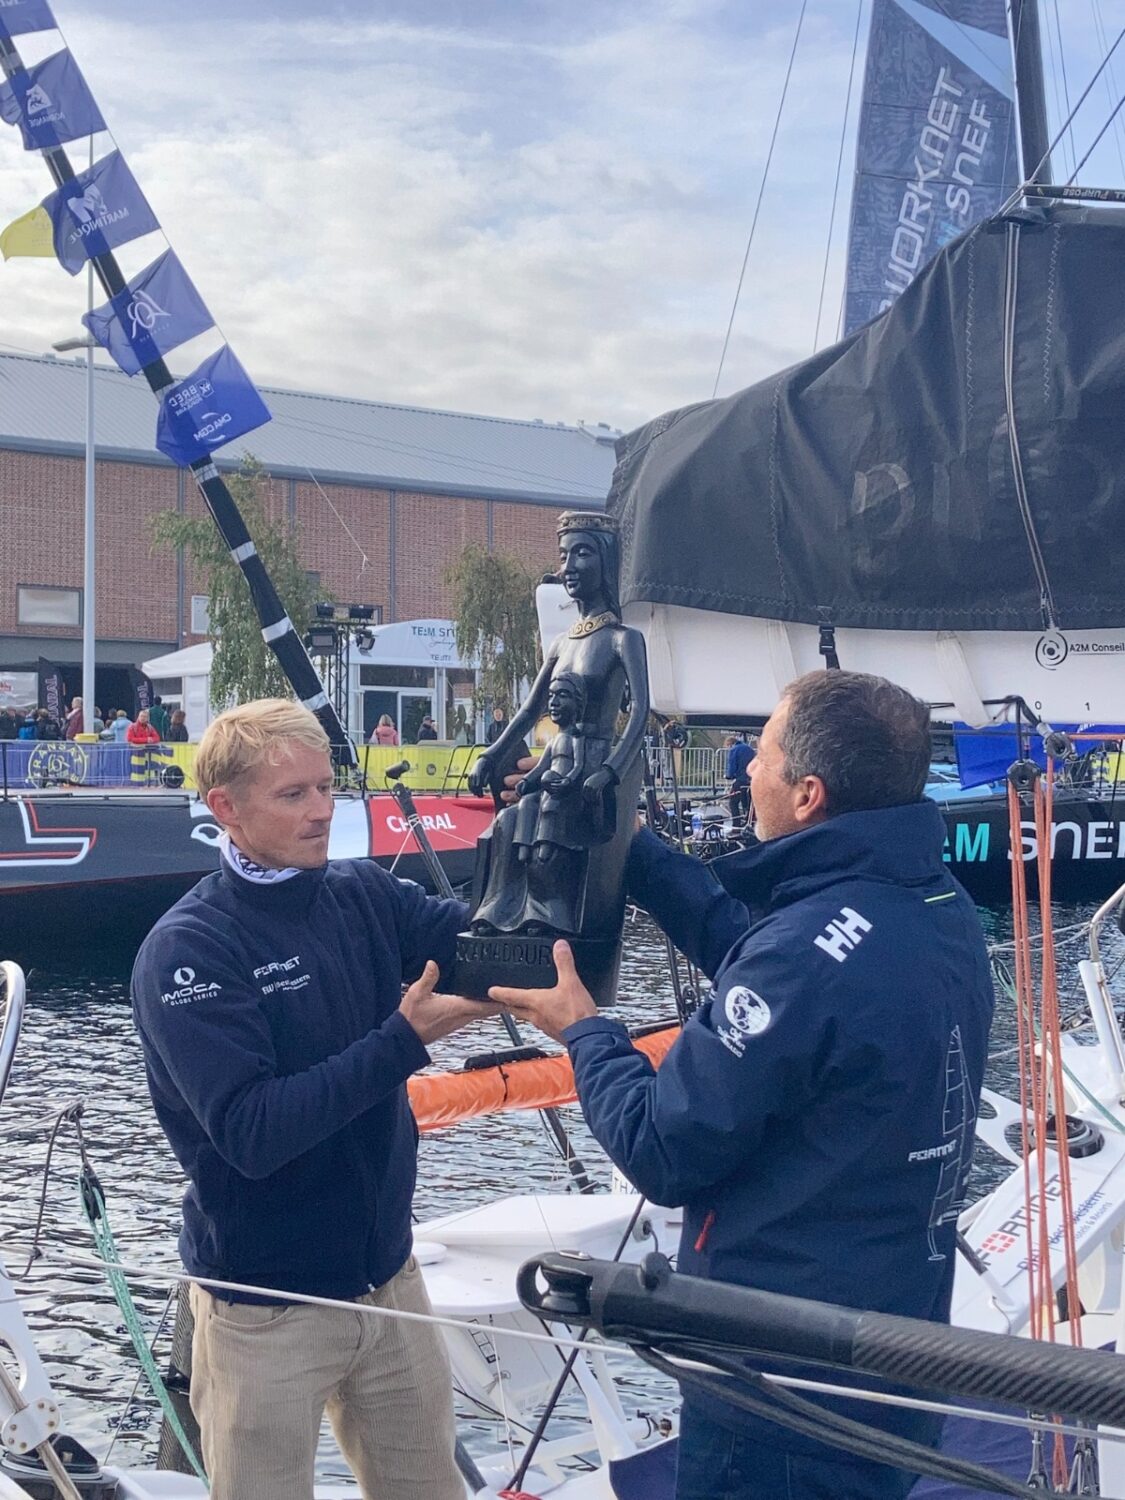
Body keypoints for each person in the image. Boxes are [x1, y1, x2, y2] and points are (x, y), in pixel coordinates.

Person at [492, 671, 994, 1500]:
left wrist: (583, 1030)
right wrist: (634, 850)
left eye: (758, 753)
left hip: (771, 1386)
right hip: (894, 1358)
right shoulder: (935, 902)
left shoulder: (800, 954)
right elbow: (770, 967)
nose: (743, 771)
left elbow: (660, 1148)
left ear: (806, 793)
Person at [130, 699, 498, 1500]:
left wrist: (551, 884)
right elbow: (253, 1133)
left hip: (388, 1280)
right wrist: (404, 1040)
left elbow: (478, 943)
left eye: (326, 788)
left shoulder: (363, 892)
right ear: (224, 809)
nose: (322, 811)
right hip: (266, 1306)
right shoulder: (188, 952)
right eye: (292, 794)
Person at [724, 731, 754, 825]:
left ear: (730, 744)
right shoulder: (750, 749)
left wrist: (729, 776)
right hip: (751, 780)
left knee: (733, 802)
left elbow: (732, 765)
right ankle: (749, 823)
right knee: (748, 803)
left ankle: (736, 825)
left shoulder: (734, 750)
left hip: (740, 780)